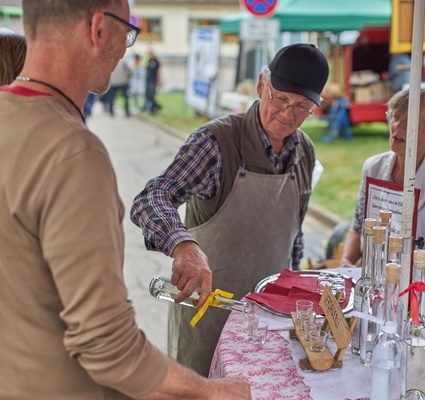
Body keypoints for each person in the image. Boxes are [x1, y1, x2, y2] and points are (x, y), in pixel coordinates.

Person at [0, 1, 250, 399]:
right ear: (99, 28)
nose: (125, 48)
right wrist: (210, 391)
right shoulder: (72, 152)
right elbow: (107, 348)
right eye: (128, 31)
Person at [131, 43, 329, 376]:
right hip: (208, 316)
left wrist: (296, 291)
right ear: (261, 86)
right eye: (279, 98)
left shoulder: (304, 152)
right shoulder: (216, 143)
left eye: (302, 106)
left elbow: (293, 235)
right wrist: (183, 245)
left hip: (270, 322)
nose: (288, 113)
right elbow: (151, 197)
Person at [339, 83, 425, 275]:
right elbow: (358, 227)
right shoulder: (373, 167)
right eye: (395, 116)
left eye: (409, 121)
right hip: (374, 285)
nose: (396, 126)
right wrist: (346, 263)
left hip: (423, 294)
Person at [144, 47, 162, 114]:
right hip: (148, 80)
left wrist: (159, 81)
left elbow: (158, 71)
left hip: (153, 81)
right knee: (148, 95)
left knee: (152, 95)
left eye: (149, 53)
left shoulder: (156, 61)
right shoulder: (148, 60)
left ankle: (153, 109)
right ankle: (156, 106)